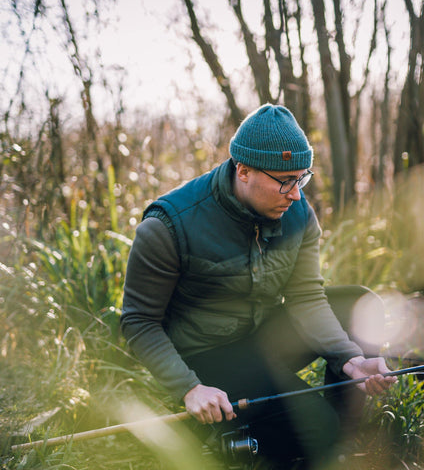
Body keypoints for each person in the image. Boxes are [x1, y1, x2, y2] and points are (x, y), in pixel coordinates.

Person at [121, 104, 396, 469]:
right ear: (244, 170)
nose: (295, 194)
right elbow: (138, 322)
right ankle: (271, 436)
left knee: (359, 304)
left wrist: (349, 359)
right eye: (285, 180)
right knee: (316, 430)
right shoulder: (169, 226)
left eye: (302, 178)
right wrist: (188, 387)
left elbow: (306, 297)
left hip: (260, 335)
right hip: (206, 356)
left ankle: (332, 436)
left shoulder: (297, 213)